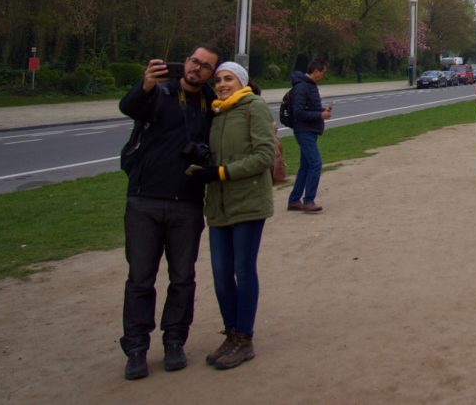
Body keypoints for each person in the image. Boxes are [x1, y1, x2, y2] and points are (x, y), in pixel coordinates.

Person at [117, 45, 220, 380]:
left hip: (187, 203)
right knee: (140, 279)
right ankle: (136, 347)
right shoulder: (160, 92)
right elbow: (128, 107)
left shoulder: (211, 105)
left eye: (206, 67)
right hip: (145, 199)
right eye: (194, 61)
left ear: (211, 73)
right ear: (185, 62)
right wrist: (145, 83)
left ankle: (174, 340)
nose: (197, 69)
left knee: (182, 278)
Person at [186, 61, 275, 371]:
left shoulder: (254, 107)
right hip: (219, 204)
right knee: (221, 275)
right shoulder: (218, 112)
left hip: (248, 201)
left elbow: (265, 155)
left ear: (242, 82)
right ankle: (231, 332)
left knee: (243, 269)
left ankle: (245, 338)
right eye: (219, 79)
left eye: (229, 79)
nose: (222, 84)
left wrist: (222, 172)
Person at [286, 60, 331, 214]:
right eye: (323, 72)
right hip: (304, 130)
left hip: (310, 129)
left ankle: (294, 200)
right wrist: (320, 114)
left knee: (305, 166)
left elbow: (308, 107)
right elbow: (298, 112)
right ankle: (309, 200)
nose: (324, 75)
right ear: (316, 71)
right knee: (315, 163)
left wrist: (321, 110)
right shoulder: (302, 87)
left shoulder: (309, 85)